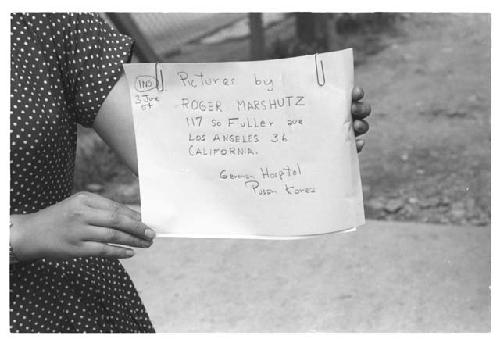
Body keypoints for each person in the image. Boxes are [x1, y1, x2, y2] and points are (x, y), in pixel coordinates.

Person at [9, 13, 372, 333]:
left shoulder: (39, 19)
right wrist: (21, 234)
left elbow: (168, 150)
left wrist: (304, 135)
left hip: (70, 301)